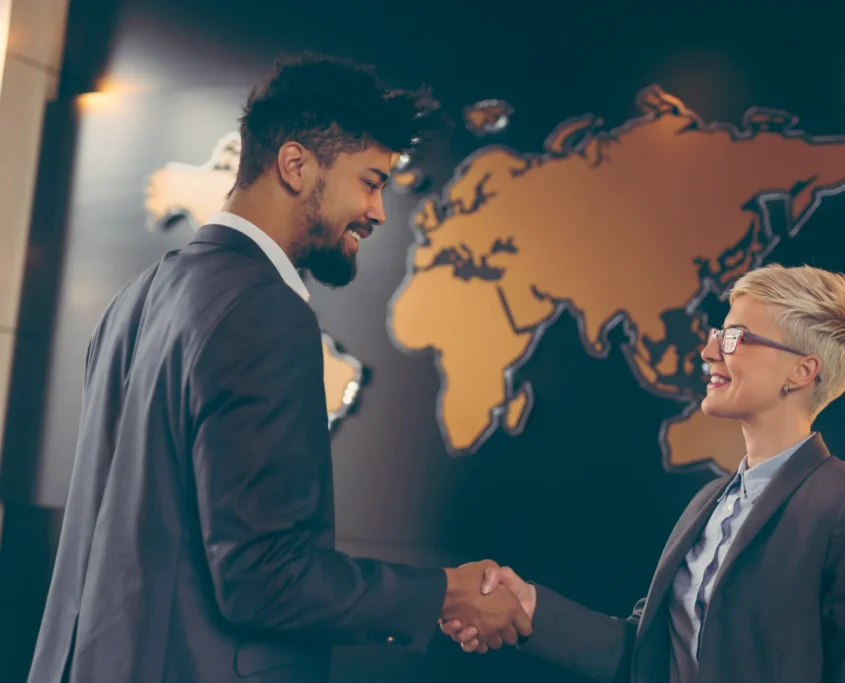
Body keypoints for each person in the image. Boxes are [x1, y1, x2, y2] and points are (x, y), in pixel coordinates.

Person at [27, 53, 530, 683]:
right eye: (370, 181)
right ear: (295, 165)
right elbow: (262, 577)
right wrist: (443, 594)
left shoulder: (137, 297)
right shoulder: (262, 309)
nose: (377, 211)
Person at [442, 263, 845, 683]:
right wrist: (528, 606)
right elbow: (646, 654)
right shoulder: (710, 501)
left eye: (735, 337)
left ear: (802, 371)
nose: (709, 351)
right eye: (717, 334)